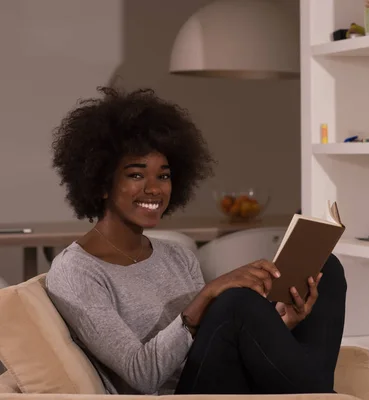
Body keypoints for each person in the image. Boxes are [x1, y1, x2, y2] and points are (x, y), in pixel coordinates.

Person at [46, 87, 347, 396]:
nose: (154, 189)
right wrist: (206, 298)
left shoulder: (176, 255)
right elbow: (142, 374)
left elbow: (212, 347)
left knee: (327, 269)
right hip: (176, 395)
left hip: (217, 381)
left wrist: (285, 325)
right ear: (101, 184)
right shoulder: (76, 271)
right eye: (136, 175)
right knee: (233, 302)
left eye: (163, 176)